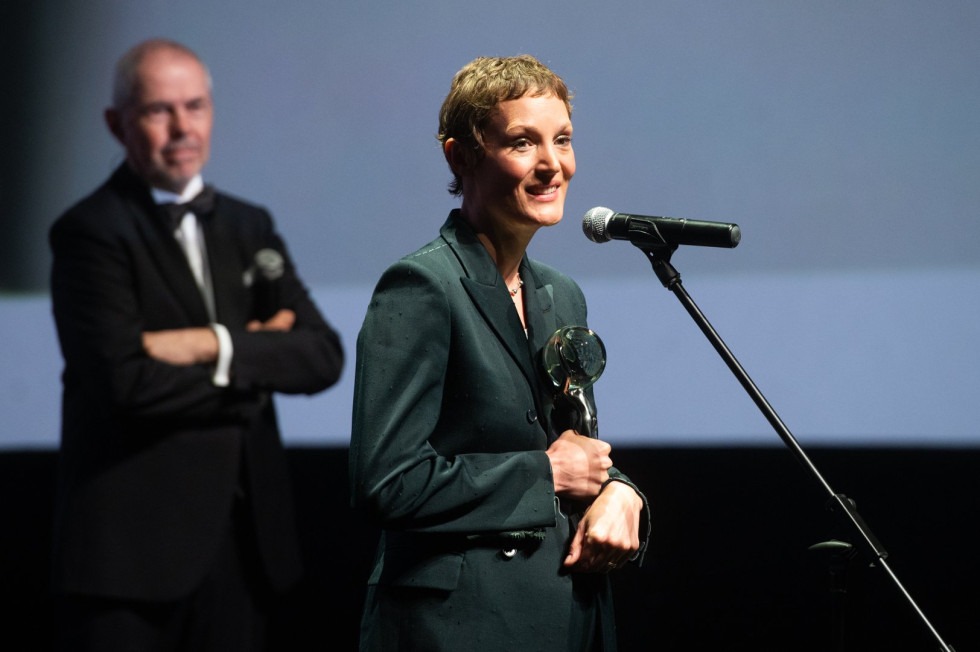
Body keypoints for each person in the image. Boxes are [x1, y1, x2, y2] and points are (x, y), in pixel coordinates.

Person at [48, 39, 344, 651]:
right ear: (116, 124)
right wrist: (255, 359)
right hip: (132, 560)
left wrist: (211, 346)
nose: (183, 128)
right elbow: (125, 385)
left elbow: (321, 355)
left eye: (195, 106)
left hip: (248, 553)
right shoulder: (89, 232)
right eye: (160, 110)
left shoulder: (248, 224)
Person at [349, 55, 650, 651]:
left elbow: (570, 448)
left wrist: (620, 490)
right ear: (460, 157)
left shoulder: (561, 294)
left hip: (569, 616)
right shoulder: (422, 287)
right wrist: (546, 474)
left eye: (562, 140)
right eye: (522, 142)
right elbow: (387, 483)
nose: (552, 164)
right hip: (461, 625)